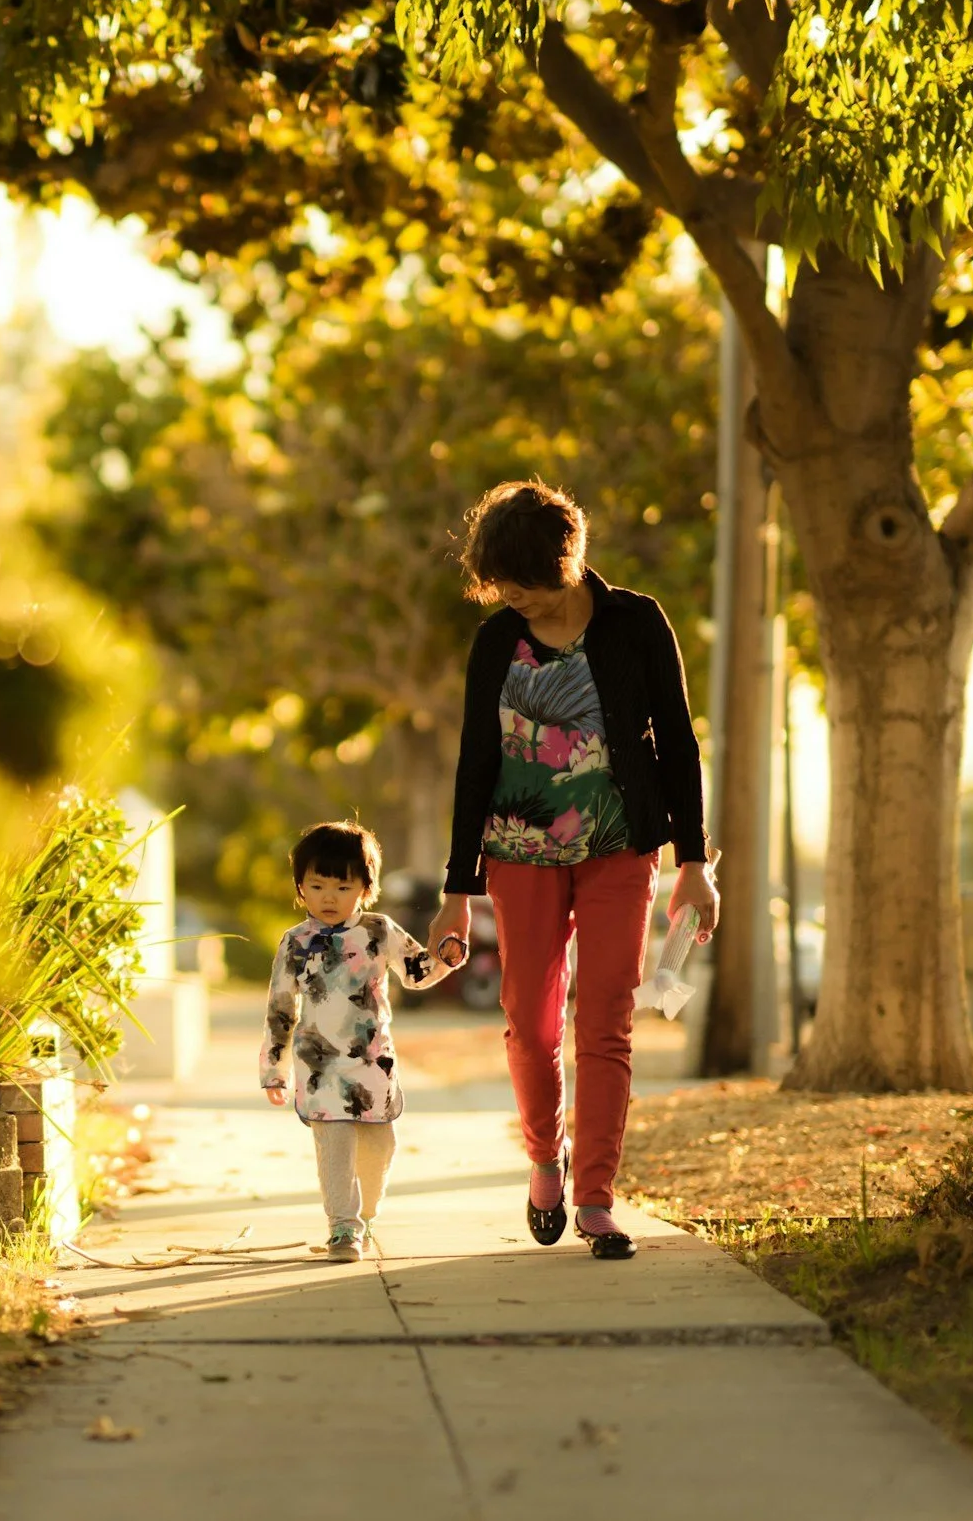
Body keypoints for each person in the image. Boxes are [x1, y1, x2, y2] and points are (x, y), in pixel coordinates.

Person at [429, 480, 719, 1262]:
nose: (510, 598)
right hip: (517, 852)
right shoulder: (497, 642)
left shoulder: (636, 622)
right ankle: (543, 1156)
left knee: (606, 1017)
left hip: (621, 846)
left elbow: (680, 745)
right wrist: (457, 889)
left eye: (520, 585)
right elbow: (475, 763)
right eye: (501, 587)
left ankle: (595, 1195)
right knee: (531, 1019)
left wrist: (694, 862)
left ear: (564, 563)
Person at [260, 821, 463, 1263]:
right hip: (319, 1067)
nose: (328, 897)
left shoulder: (379, 930)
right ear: (300, 888)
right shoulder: (295, 942)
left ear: (365, 888)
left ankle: (366, 1213)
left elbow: (415, 973)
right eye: (316, 885)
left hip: (372, 1063)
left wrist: (446, 959)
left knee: (378, 1148)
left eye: (342, 886)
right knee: (333, 1149)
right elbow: (280, 1007)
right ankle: (342, 1227)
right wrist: (273, 1067)